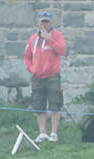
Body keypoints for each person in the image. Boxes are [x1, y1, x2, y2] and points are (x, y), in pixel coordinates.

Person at [24, 10, 66, 143]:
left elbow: (62, 50)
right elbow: (27, 57)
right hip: (37, 77)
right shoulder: (33, 39)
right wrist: (32, 69)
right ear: (39, 22)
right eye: (42, 21)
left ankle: (54, 133)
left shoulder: (57, 35)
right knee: (39, 105)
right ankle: (43, 133)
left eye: (47, 21)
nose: (44, 24)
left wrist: (49, 39)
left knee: (55, 104)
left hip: (52, 76)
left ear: (50, 22)